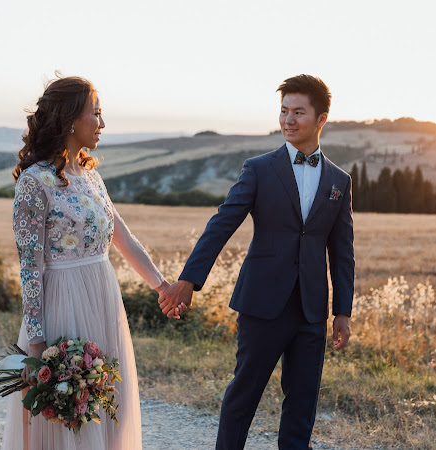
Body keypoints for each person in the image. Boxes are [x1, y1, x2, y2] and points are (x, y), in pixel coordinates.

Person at [159, 74, 354, 449]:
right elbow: (221, 225)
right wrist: (188, 280)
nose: (288, 120)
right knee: (243, 397)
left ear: (321, 119)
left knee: (302, 405)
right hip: (262, 303)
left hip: (312, 310)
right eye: (284, 111)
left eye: (299, 112)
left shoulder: (339, 180)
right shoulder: (259, 169)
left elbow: (343, 252)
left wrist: (342, 311)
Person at [3, 76, 170, 450]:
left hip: (103, 300)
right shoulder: (34, 181)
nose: (102, 123)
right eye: (95, 113)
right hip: (63, 304)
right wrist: (36, 343)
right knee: (69, 417)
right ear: (69, 119)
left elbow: (122, 237)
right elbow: (30, 266)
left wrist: (162, 286)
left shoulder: (91, 177)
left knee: (107, 405)